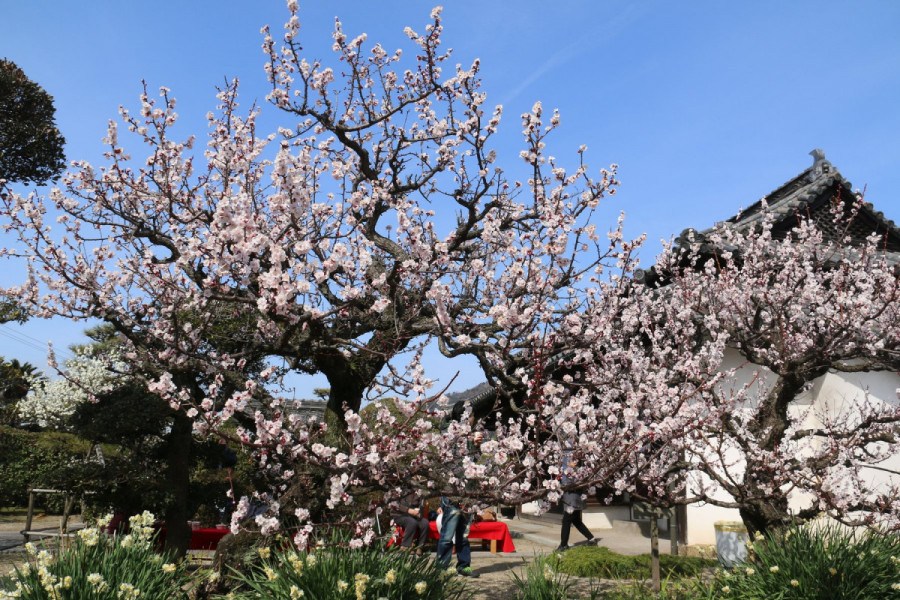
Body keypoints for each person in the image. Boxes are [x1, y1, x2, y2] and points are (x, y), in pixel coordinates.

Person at [435, 431, 483, 578]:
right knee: (447, 536)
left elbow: (475, 463)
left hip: (468, 495)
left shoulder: (472, 433)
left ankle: (463, 565)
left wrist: (476, 446)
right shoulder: (451, 433)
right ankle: (441, 569)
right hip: (452, 495)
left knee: (463, 535)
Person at [557, 452, 596, 552]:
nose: (570, 463)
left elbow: (570, 484)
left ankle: (563, 544)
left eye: (572, 461)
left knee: (566, 521)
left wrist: (561, 485)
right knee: (576, 521)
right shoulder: (572, 471)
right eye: (569, 461)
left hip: (572, 500)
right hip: (573, 499)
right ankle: (591, 538)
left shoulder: (575, 472)